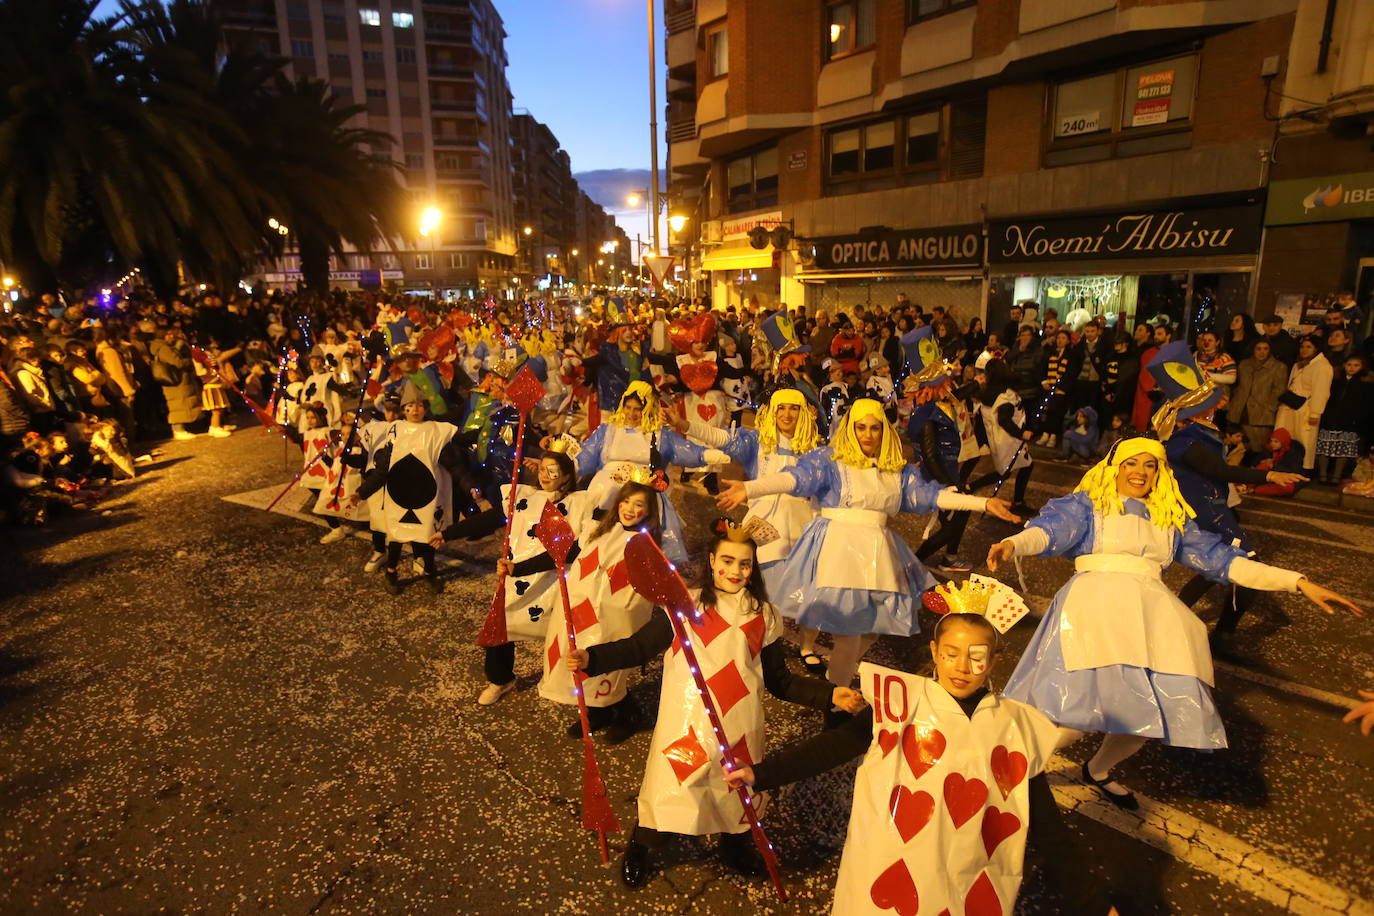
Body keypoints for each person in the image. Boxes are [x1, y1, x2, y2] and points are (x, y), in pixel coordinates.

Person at [988, 437, 1360, 807]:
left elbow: (1222, 560)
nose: (1140, 472)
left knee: (1149, 716)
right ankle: (1012, 781)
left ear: (1160, 472)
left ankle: (1097, 770)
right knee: (1076, 716)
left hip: (1151, 617)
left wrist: (1297, 582)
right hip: (1092, 612)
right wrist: (1013, 544)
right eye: (1132, 463)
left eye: (1150, 465)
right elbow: (1050, 530)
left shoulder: (1170, 517)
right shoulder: (1089, 505)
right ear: (1115, 466)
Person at [722, 600, 1110, 915]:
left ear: (993, 661)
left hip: (966, 875)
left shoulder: (1016, 727)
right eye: (952, 653)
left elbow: (1045, 824)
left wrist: (1093, 904)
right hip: (890, 866)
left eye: (976, 656)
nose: (962, 667)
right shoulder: (900, 705)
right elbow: (834, 746)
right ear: (935, 652)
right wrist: (761, 774)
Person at [568, 522, 860, 887]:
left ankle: (735, 847)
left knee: (735, 793)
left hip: (740, 723)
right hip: (687, 724)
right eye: (727, 561)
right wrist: (591, 659)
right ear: (711, 560)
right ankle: (643, 846)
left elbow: (779, 680)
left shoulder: (763, 614)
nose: (735, 571)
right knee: (671, 788)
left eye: (745, 564)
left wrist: (830, 694)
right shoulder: (682, 604)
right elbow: (638, 647)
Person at [716, 398, 1018, 698]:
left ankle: (837, 683)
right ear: (850, 428)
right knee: (850, 636)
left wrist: (984, 503)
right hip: (839, 549)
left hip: (878, 552)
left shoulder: (894, 470)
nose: (867, 435)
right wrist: (750, 488)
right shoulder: (830, 461)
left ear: (884, 431)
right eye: (860, 427)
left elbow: (931, 497)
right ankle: (836, 699)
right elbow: (794, 479)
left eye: (874, 428)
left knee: (872, 630)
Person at [673, 385, 824, 669]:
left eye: (794, 408)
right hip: (763, 524)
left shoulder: (816, 450)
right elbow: (722, 438)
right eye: (781, 408)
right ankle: (757, 640)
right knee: (755, 585)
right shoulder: (758, 442)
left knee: (810, 590)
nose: (787, 414)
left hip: (805, 525)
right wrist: (684, 424)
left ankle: (807, 646)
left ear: (804, 413)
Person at [538, 478, 660, 743]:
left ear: (649, 510)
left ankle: (629, 714)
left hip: (612, 619)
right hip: (581, 613)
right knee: (580, 660)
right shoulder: (602, 532)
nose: (629, 508)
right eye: (626, 501)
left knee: (608, 666)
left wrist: (611, 609)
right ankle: (597, 712)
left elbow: (641, 591)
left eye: (638, 504)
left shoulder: (646, 544)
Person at [572, 380, 726, 567]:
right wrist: (560, 462)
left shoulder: (659, 434)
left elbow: (687, 451)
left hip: (642, 495)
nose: (631, 413)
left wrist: (717, 455)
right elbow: (585, 456)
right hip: (604, 496)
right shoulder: (608, 430)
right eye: (628, 407)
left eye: (637, 409)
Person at [969, 358, 1036, 518]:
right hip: (1008, 439)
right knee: (1008, 471)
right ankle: (970, 487)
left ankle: (970, 487)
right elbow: (1004, 420)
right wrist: (1021, 433)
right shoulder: (1003, 396)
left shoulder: (989, 392)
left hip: (1001, 439)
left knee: (1018, 468)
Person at [1273, 335, 1333, 472]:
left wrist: (1315, 412)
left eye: (1308, 347)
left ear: (1316, 349)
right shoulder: (1298, 364)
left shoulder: (1322, 366)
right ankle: (1282, 464)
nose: (1304, 350)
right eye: (1302, 347)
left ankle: (1303, 469)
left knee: (1304, 438)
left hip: (1306, 408)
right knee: (1284, 436)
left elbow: (1321, 390)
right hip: (1290, 405)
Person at [1315, 354, 1373, 485]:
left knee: (1343, 449)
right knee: (1325, 447)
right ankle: (1322, 475)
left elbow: (1366, 406)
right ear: (1344, 366)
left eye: (1356, 365)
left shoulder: (1365, 385)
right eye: (1349, 364)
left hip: (1349, 423)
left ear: (1362, 367)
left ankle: (1336, 476)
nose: (1352, 368)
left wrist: (1357, 420)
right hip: (1330, 419)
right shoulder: (1335, 382)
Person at [1230, 338, 1288, 452]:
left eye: (1265, 349)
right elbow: (1239, 385)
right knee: (1237, 449)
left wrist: (1269, 407)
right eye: (1259, 349)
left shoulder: (1278, 367)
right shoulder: (1244, 365)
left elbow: (1279, 390)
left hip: (1262, 414)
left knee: (1258, 448)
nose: (1262, 352)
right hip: (1240, 410)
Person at [149, 327, 203, 440]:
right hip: (176, 381)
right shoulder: (164, 348)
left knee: (180, 404)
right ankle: (178, 429)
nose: (171, 336)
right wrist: (189, 361)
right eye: (168, 334)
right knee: (178, 404)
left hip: (177, 381)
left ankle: (181, 428)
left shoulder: (165, 347)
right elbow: (177, 362)